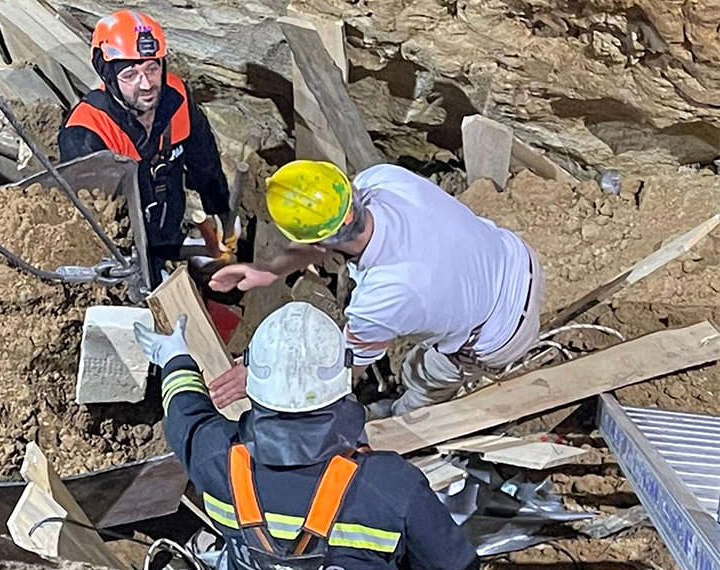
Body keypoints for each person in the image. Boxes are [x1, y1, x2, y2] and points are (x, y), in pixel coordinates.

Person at [133, 302, 479, 570]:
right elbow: (454, 564)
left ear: (252, 378)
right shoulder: (392, 487)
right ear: (343, 379)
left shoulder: (213, 459)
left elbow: (185, 414)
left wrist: (174, 358)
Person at [208, 161, 544, 419]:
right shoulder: (382, 179)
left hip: (501, 333)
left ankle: (404, 419)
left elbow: (340, 373)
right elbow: (331, 238)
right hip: (516, 258)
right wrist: (268, 271)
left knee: (421, 373)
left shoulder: (383, 298)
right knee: (419, 350)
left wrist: (265, 369)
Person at [58, 10, 238, 285]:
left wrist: (221, 212)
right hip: (129, 251)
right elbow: (96, 226)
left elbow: (205, 162)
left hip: (170, 225)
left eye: (153, 69)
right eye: (130, 74)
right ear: (109, 76)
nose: (146, 85)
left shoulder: (176, 97)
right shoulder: (87, 131)